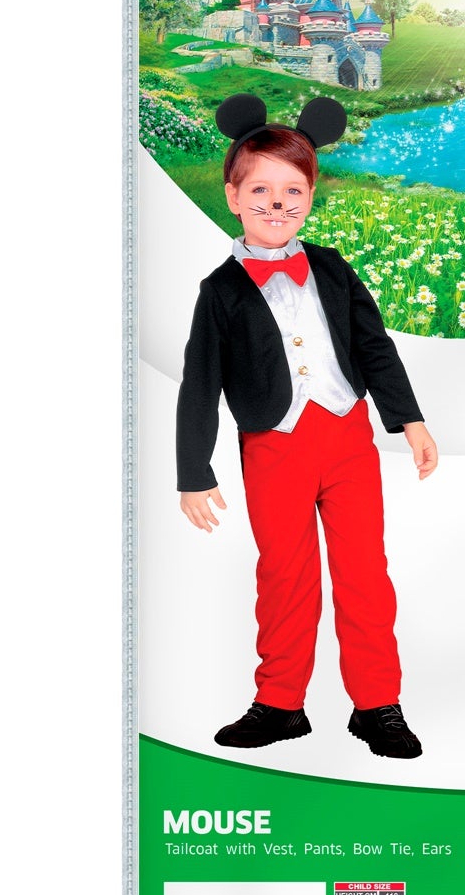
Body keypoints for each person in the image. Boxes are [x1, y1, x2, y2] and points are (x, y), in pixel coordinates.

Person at [177, 93, 437, 759]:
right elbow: (200, 383)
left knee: (364, 573)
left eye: (293, 190)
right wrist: (193, 471)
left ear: (312, 196)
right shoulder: (219, 291)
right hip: (273, 445)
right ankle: (280, 703)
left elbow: (375, 346)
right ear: (233, 197)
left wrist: (408, 420)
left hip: (348, 437)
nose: (277, 203)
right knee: (285, 574)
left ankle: (377, 705)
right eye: (260, 190)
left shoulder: (332, 267)